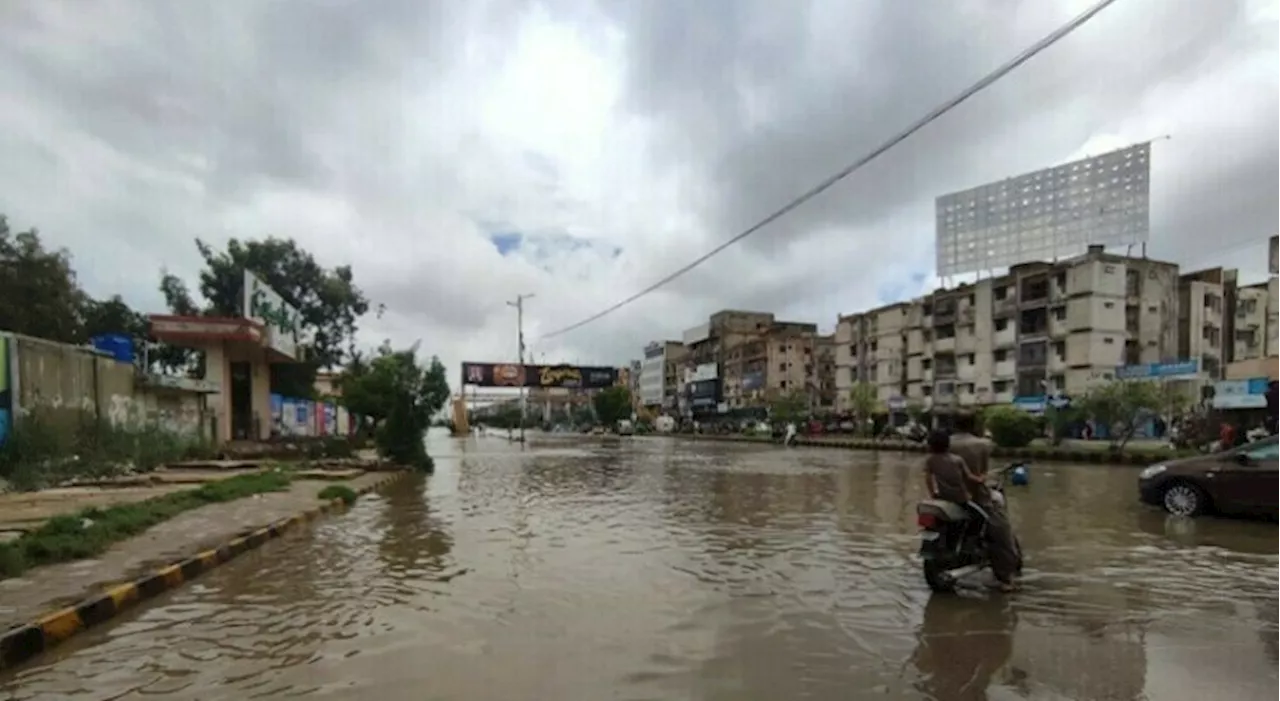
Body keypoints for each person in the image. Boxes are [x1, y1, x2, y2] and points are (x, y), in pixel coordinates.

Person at [950, 415, 1020, 592]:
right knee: (1001, 529)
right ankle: (1005, 577)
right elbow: (981, 472)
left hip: (946, 495)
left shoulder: (944, 443)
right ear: (974, 425)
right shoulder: (982, 445)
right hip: (975, 495)